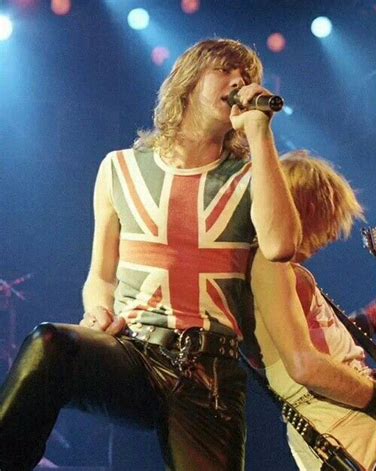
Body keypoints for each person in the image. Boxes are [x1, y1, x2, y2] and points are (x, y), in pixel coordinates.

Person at [0, 38, 302, 471]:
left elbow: (281, 245)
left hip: (209, 376)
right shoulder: (119, 168)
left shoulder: (253, 176)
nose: (240, 82)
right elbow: (101, 274)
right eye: (226, 71)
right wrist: (98, 312)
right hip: (135, 353)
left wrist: (258, 131)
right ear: (188, 81)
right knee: (49, 344)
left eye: (249, 78)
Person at [244, 150, 376, 470]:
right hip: (346, 430)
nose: (333, 234)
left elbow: (322, 347)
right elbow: (304, 365)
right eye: (330, 217)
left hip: (359, 418)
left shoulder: (288, 272)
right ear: (308, 206)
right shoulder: (269, 264)